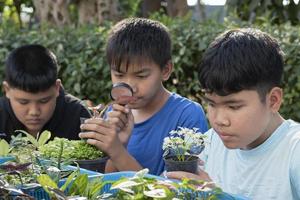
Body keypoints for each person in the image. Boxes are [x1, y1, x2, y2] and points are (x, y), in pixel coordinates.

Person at [166, 28, 300, 199]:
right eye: (211, 104)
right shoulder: (211, 143)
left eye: (233, 106)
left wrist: (217, 196)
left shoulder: (294, 151)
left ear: (273, 100)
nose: (219, 120)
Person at [79, 18, 208, 175]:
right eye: (119, 75)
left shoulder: (187, 115)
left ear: (166, 70)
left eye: (141, 76)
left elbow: (178, 192)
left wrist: (118, 151)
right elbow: (108, 180)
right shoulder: (113, 114)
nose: (129, 87)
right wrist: (119, 144)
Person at [0, 44, 91, 141]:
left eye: (44, 101)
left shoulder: (78, 116)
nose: (34, 112)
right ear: (7, 90)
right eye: (23, 102)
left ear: (57, 88)